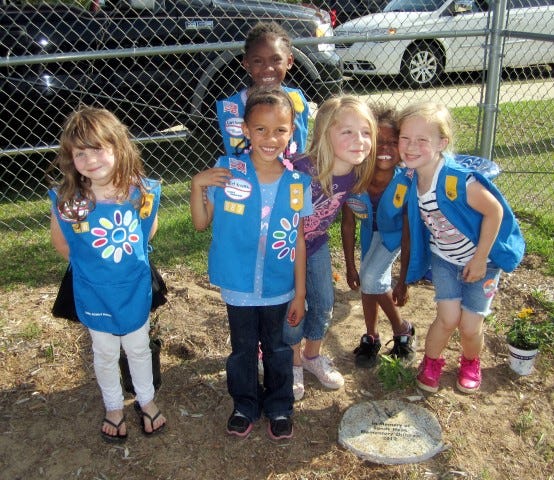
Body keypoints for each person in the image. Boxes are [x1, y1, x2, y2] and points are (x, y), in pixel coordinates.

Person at [190, 88, 312, 440]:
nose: (270, 138)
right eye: (260, 129)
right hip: (239, 286)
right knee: (243, 349)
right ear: (245, 129)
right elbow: (201, 223)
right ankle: (244, 404)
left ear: (292, 131)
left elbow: (300, 240)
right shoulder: (227, 171)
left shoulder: (296, 183)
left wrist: (300, 293)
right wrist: (196, 185)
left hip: (278, 286)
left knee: (276, 349)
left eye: (280, 130)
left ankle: (279, 406)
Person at [48, 106, 167, 442]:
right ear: (71, 158)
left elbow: (148, 232)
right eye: (80, 152)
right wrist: (98, 266)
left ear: (118, 147)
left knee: (139, 347)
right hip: (94, 290)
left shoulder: (139, 192)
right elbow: (64, 244)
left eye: (98, 148)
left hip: (133, 287)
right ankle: (114, 406)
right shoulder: (69, 201)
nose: (90, 159)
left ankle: (146, 400)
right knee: (104, 351)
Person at [397, 101, 525, 394]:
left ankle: (470, 361)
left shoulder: (457, 180)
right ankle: (431, 362)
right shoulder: (411, 177)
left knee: (469, 325)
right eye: (405, 138)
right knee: (447, 318)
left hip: (483, 262)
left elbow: (495, 212)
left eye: (421, 140)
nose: (411, 146)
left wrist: (480, 259)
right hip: (445, 259)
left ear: (442, 143)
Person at [283, 95, 376, 401]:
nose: (359, 140)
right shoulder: (302, 172)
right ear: (325, 133)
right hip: (286, 248)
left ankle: (312, 356)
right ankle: (292, 361)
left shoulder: (355, 171)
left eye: (365, 132)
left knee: (324, 300)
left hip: (317, 242)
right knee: (293, 306)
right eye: (347, 131)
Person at [340, 104, 415, 369]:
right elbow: (348, 224)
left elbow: (407, 236)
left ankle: (402, 328)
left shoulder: (406, 183)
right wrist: (349, 265)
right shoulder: (355, 177)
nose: (385, 148)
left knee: (371, 278)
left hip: (393, 238)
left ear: (402, 147)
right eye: (378, 141)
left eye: (393, 142)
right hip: (368, 235)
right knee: (367, 281)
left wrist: (403, 280)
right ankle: (372, 336)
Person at [216, 21, 309, 158]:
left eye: (276, 60)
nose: (268, 68)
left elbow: (299, 149)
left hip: (289, 178)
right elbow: (231, 157)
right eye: (258, 61)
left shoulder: (297, 100)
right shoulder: (231, 107)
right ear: (246, 63)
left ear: (289, 62)